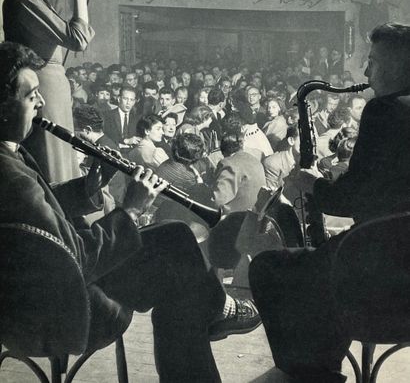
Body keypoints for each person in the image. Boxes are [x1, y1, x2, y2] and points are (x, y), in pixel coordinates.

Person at [0, 41, 261, 383]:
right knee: (180, 280)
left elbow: (43, 214)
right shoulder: (13, 178)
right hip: (71, 309)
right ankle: (216, 310)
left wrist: (88, 190)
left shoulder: (8, 157)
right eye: (31, 95)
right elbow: (76, 258)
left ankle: (211, 309)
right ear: (2, 107)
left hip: (41, 298)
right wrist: (131, 209)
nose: (42, 102)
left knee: (176, 240)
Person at [249, 23, 410, 383]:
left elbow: (351, 199)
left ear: (403, 65)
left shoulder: (383, 111)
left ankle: (312, 373)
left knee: (270, 267)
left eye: (373, 62)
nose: (365, 72)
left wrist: (313, 184)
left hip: (384, 275)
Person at [1, 0, 94, 183]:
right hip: (44, 89)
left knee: (61, 161)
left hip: (52, 88)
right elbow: (78, 39)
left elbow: (77, 33)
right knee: (54, 166)